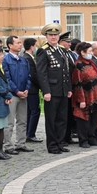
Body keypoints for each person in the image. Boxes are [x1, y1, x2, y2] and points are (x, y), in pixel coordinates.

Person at [35, 23, 73, 154]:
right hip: (51, 90)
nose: (53, 37)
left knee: (62, 119)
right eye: (51, 35)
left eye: (56, 35)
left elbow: (66, 71)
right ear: (46, 36)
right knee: (51, 119)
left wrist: (68, 88)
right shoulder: (43, 51)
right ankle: (52, 145)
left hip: (62, 89)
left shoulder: (62, 50)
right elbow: (41, 73)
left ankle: (60, 142)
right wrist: (46, 91)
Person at [71, 42, 97, 148]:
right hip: (85, 96)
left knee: (94, 118)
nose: (91, 53)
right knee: (83, 119)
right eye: (89, 51)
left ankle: (92, 137)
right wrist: (81, 99)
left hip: (95, 95)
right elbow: (77, 84)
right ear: (82, 52)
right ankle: (83, 139)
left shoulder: (91, 63)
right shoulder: (78, 65)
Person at [2, 35, 33, 154]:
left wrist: (26, 89)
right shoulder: (6, 60)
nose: (20, 45)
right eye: (17, 43)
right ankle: (8, 146)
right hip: (12, 95)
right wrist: (16, 91)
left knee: (22, 120)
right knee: (9, 122)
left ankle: (21, 143)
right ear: (10, 45)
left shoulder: (23, 60)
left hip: (24, 94)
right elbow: (7, 78)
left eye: (21, 42)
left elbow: (29, 76)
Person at [23, 37, 43, 143]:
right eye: (35, 45)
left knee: (30, 111)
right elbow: (33, 75)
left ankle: (29, 133)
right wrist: (42, 86)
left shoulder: (29, 57)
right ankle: (30, 134)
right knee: (34, 111)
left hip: (31, 89)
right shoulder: (27, 58)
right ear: (31, 47)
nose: (36, 48)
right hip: (32, 89)